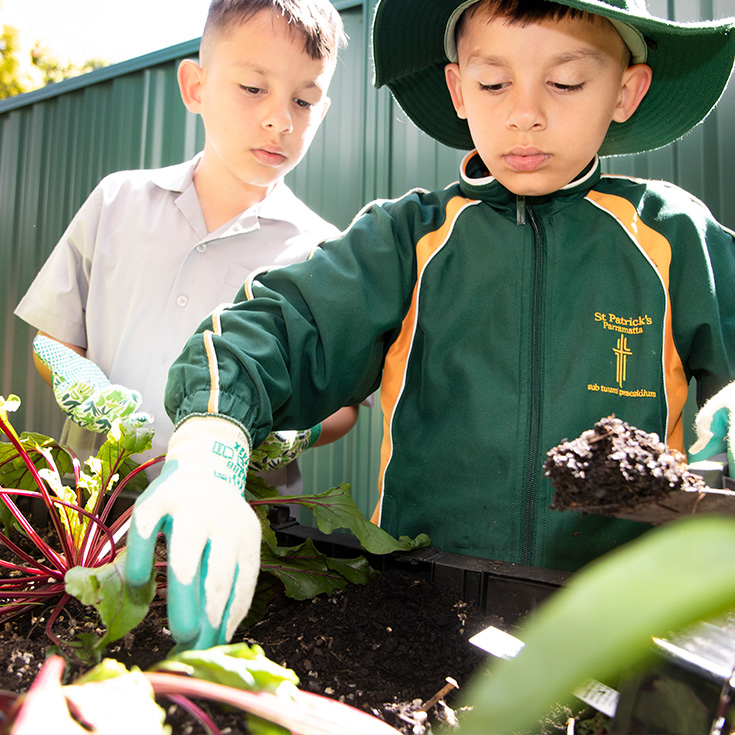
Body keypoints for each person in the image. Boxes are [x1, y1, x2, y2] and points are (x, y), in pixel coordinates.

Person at [126, 0, 735, 650]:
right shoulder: (403, 240)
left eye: (564, 83)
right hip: (425, 616)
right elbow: (274, 327)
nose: (523, 112)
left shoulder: (672, 236)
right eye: (494, 83)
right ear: (457, 89)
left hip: (625, 626)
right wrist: (210, 441)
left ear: (625, 90)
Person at [14, 0, 358, 493]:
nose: (280, 119)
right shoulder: (117, 200)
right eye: (254, 88)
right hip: (94, 503)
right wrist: (78, 380)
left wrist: (296, 430)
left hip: (241, 520)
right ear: (195, 87)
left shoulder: (325, 253)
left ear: (321, 112)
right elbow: (54, 338)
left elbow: (345, 405)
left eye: (303, 101)